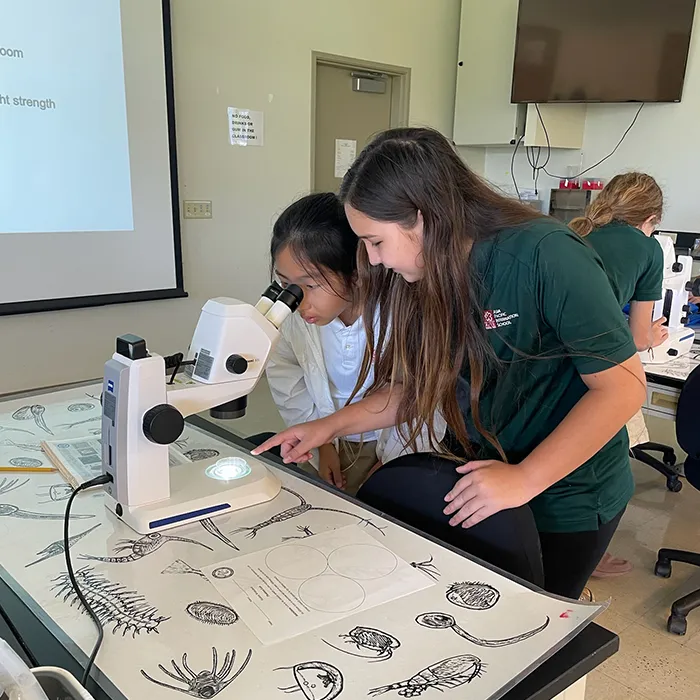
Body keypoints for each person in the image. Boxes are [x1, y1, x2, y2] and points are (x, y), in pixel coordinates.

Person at [253, 128, 647, 600]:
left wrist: (525, 478)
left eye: (375, 242)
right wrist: (328, 427)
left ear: (422, 219)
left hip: (569, 491)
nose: (373, 262)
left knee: (539, 624)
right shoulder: (425, 277)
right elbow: (419, 388)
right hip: (483, 474)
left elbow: (623, 388)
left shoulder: (545, 255)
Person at [254, 191, 443, 496]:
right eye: (286, 284)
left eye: (311, 285)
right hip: (325, 440)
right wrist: (323, 442)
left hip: (399, 442)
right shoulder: (291, 318)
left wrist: (398, 462)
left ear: (356, 274)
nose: (297, 300)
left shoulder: (405, 311)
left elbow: (420, 395)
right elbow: (287, 379)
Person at [570, 173, 665, 579]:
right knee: (609, 463)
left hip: (547, 359)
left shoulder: (575, 232)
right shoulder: (648, 248)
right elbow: (638, 336)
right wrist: (657, 334)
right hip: (593, 366)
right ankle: (589, 554)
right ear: (652, 219)